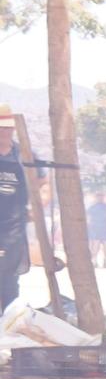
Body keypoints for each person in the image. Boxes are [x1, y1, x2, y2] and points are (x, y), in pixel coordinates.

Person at [0, 107, 27, 308]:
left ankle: (8, 322)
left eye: (7, 128)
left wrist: (35, 207)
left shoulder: (24, 155)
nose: (4, 132)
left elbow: (42, 184)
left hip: (14, 229)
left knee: (9, 278)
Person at [86, 192, 106, 268]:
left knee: (99, 244)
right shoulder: (105, 206)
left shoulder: (93, 207)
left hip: (98, 227)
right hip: (99, 228)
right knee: (100, 244)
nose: (101, 198)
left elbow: (88, 219)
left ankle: (98, 262)